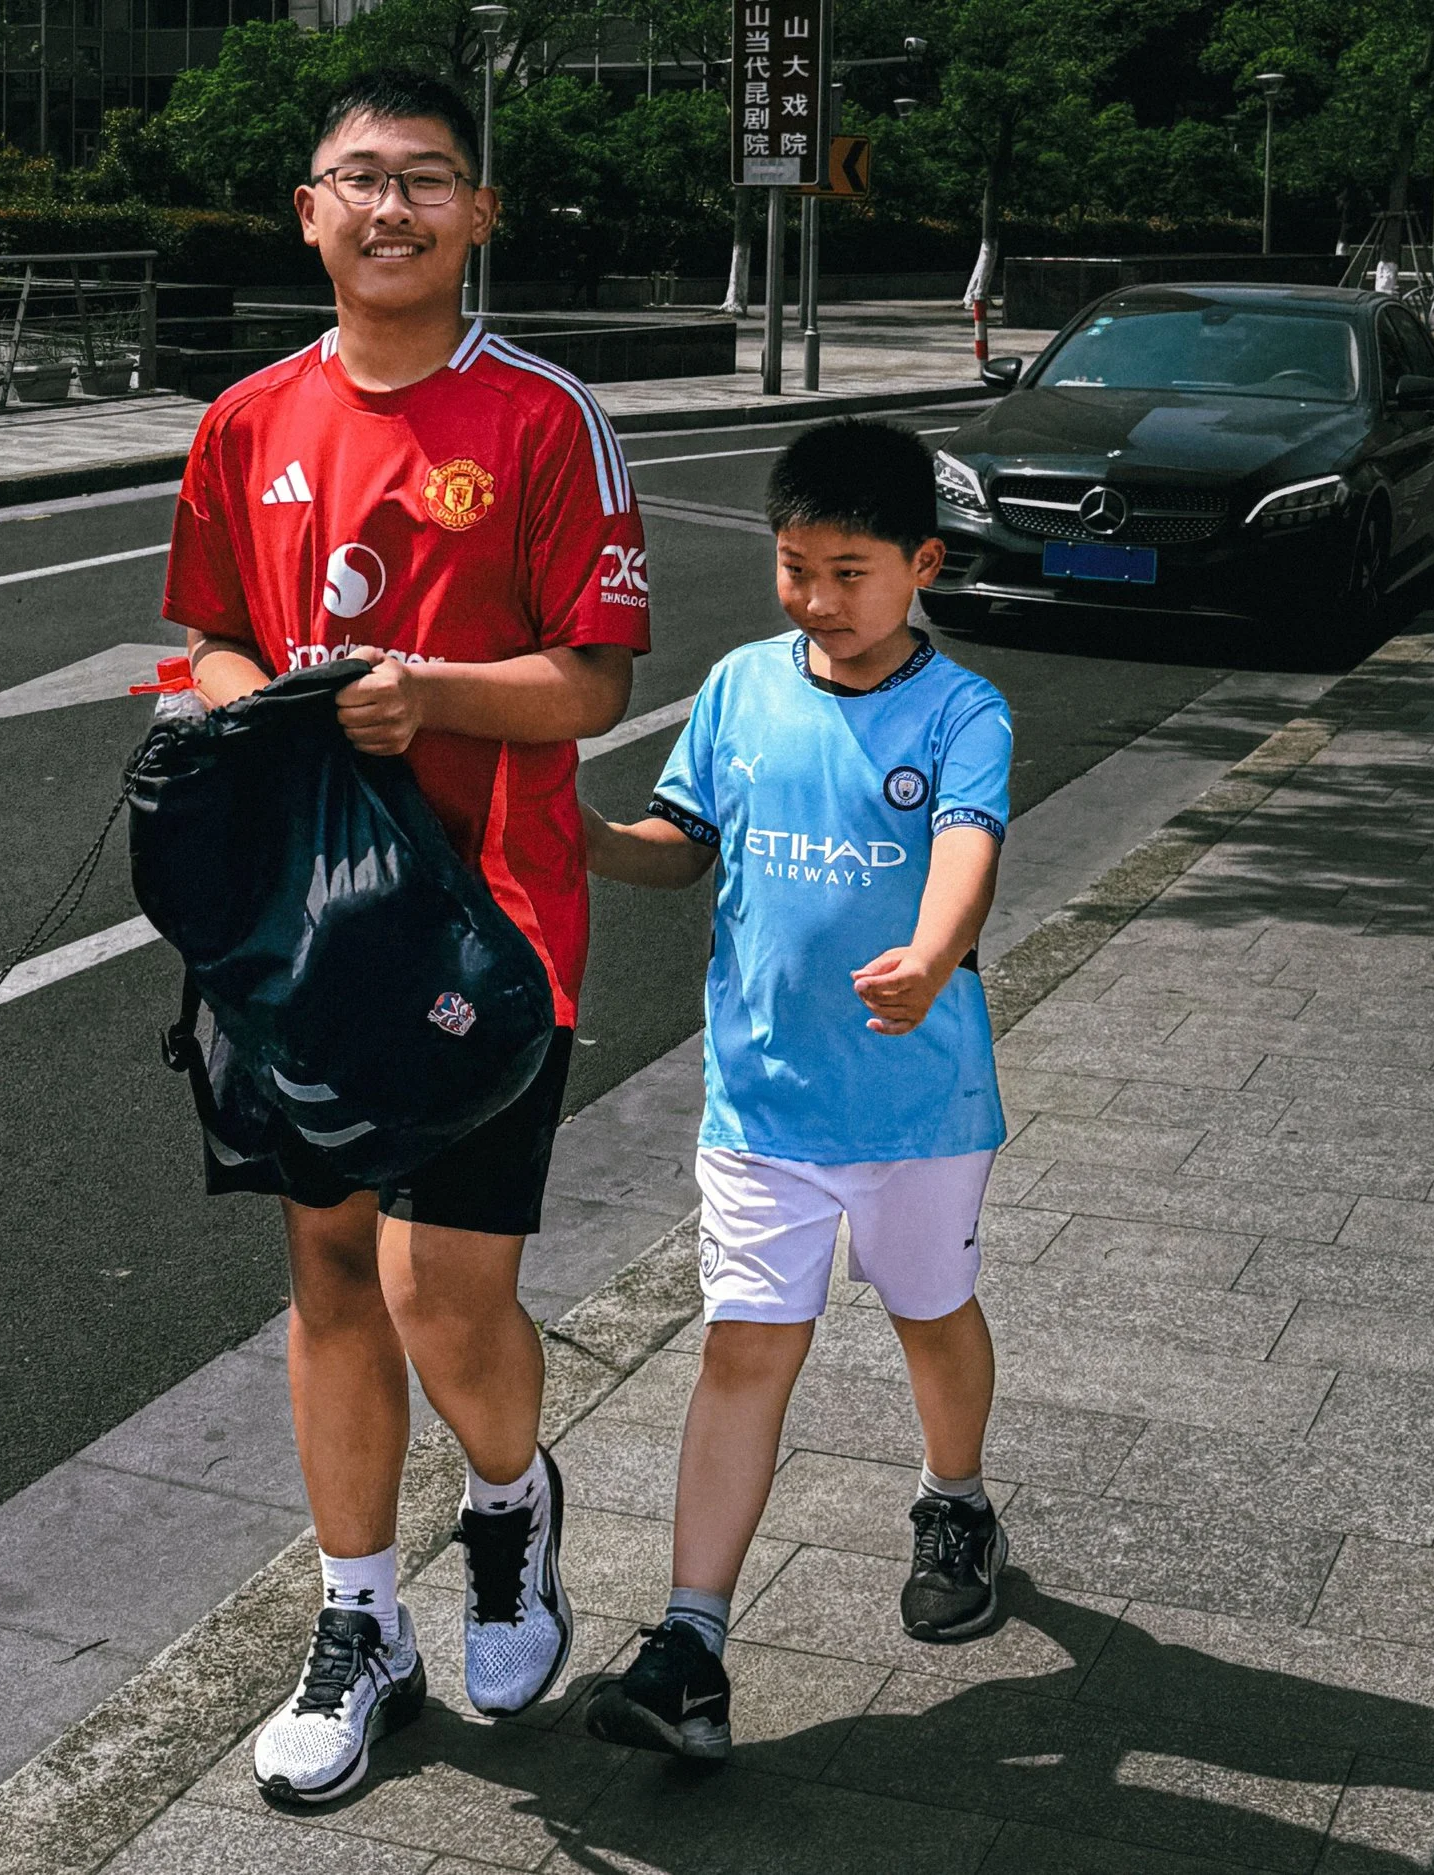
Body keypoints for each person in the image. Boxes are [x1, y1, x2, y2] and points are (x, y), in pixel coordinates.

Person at [159, 69, 652, 1804]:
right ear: (308, 212)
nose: (390, 208)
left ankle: (509, 1503)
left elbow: (593, 676)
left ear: (477, 218)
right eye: (358, 180)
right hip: (304, 929)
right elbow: (206, 636)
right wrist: (258, 707)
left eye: (426, 181)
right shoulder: (243, 423)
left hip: (490, 926)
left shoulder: (542, 418)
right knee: (324, 1270)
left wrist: (424, 692)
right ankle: (361, 1617)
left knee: (447, 1293)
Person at [579, 420, 1013, 1761]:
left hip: (914, 1104)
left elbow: (965, 846)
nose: (818, 598)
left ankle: (956, 1498)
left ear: (921, 564)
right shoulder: (741, 689)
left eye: (851, 570)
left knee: (931, 1315)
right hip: (760, 1100)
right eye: (795, 566)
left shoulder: (962, 713)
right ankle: (693, 1641)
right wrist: (582, 837)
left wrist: (932, 957)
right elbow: (679, 848)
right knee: (742, 1346)